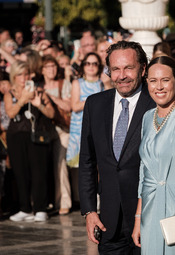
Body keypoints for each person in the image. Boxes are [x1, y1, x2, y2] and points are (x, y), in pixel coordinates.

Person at [79, 41, 155, 255]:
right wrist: (90, 210)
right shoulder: (94, 104)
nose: (122, 75)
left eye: (128, 68)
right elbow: (87, 161)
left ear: (143, 68)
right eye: (115, 69)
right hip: (108, 222)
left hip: (148, 219)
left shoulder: (157, 104)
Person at [131, 56, 175, 254]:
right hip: (150, 212)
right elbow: (144, 173)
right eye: (153, 81)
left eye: (165, 80)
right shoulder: (146, 117)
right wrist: (138, 218)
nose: (158, 87)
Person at [5, 60, 55, 222]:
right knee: (20, 172)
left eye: (26, 74)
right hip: (16, 136)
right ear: (14, 76)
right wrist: (22, 99)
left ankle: (40, 208)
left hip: (36, 135)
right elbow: (11, 114)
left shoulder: (39, 92)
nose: (23, 77)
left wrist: (38, 104)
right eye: (20, 74)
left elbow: (51, 114)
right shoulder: (10, 93)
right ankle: (24, 208)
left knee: (39, 171)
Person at [40, 55, 72, 215]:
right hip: (44, 131)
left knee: (60, 166)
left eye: (53, 66)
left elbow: (68, 106)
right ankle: (46, 200)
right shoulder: (38, 86)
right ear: (42, 70)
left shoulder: (63, 84)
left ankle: (64, 201)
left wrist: (50, 97)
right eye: (48, 67)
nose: (51, 69)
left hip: (61, 130)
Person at [66, 52, 103, 168]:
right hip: (79, 128)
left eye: (94, 64)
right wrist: (93, 100)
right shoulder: (78, 83)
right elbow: (75, 106)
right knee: (79, 167)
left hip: (98, 127)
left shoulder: (102, 84)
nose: (91, 66)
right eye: (87, 63)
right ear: (83, 66)